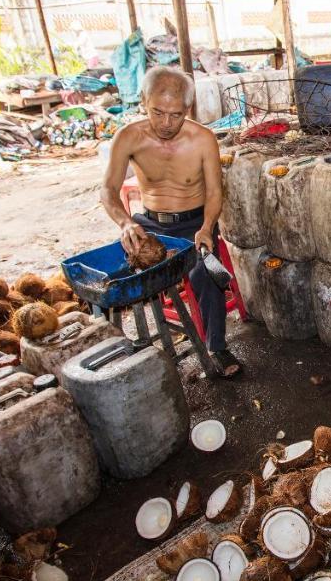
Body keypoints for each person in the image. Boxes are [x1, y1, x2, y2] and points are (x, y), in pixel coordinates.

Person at [99, 66, 242, 376]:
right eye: (157, 112)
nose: (166, 123)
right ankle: (121, 355)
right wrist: (125, 223)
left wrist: (206, 228)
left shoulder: (202, 139)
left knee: (207, 273)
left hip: (193, 223)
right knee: (111, 276)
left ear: (187, 109)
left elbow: (216, 192)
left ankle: (216, 346)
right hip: (149, 224)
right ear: (143, 102)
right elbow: (108, 190)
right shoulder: (128, 137)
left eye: (175, 114)